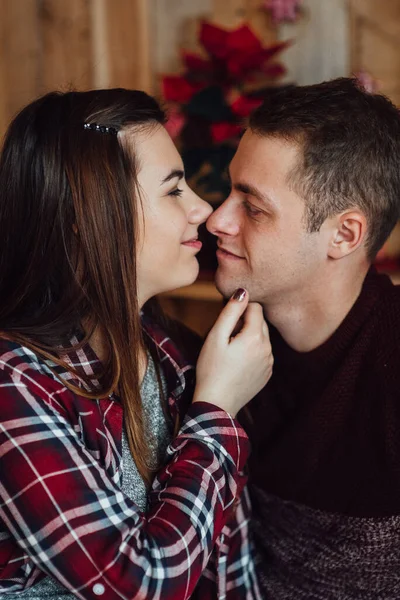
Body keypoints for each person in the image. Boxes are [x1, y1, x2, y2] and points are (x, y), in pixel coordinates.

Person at [0, 89, 273, 599]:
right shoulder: (14, 383)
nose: (203, 209)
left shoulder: (171, 351)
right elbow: (139, 585)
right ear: (86, 216)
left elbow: (228, 557)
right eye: (173, 191)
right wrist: (215, 412)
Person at [206, 77, 400, 599]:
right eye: (229, 192)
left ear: (344, 235)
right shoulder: (226, 347)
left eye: (253, 206)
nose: (216, 219)